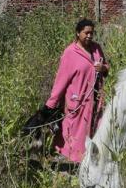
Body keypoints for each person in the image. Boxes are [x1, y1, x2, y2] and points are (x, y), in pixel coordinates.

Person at [42, 18, 109, 163]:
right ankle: (73, 163)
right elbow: (61, 80)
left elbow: (106, 66)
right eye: (86, 33)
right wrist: (51, 104)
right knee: (75, 133)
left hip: (96, 100)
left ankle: (90, 160)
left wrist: (103, 68)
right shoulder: (70, 53)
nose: (90, 36)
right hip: (78, 100)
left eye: (92, 33)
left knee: (95, 130)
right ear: (78, 33)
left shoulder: (96, 48)